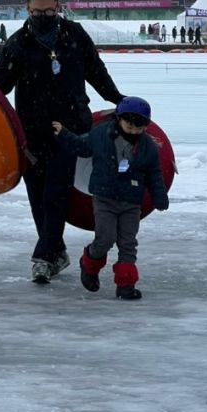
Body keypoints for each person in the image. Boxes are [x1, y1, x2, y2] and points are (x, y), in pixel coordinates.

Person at [0, 0, 125, 283]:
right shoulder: (18, 43)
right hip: (31, 131)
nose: (43, 17)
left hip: (71, 128)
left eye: (49, 12)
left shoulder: (75, 35)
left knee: (55, 192)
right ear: (27, 9)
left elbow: (96, 73)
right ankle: (56, 251)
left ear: (59, 7)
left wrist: (119, 100)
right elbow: (1, 85)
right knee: (37, 196)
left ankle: (43, 256)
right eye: (37, 12)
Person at [52, 97, 168, 300]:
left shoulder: (148, 146)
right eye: (129, 125)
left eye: (138, 127)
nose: (133, 131)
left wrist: (159, 197)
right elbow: (81, 147)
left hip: (131, 203)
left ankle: (126, 285)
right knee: (105, 239)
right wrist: (63, 134)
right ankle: (89, 264)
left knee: (128, 243)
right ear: (119, 119)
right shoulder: (101, 134)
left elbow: (154, 174)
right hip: (104, 199)